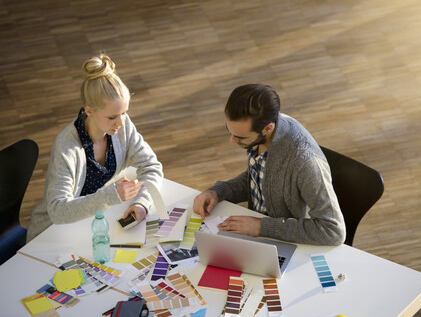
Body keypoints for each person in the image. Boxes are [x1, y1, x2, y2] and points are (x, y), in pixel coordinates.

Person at [27, 54, 163, 242]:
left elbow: (151, 166)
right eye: (112, 117)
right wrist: (108, 197)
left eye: (124, 113)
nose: (121, 123)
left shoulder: (122, 126)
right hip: (55, 234)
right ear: (89, 110)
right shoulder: (66, 147)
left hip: (97, 223)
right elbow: (58, 211)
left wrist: (142, 203)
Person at [193, 84, 346, 245]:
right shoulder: (264, 129)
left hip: (291, 243)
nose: (232, 140)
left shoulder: (305, 162)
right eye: (229, 130)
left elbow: (333, 230)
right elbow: (258, 178)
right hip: (258, 233)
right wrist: (217, 192)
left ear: (267, 128)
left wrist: (261, 227)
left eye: (241, 137)